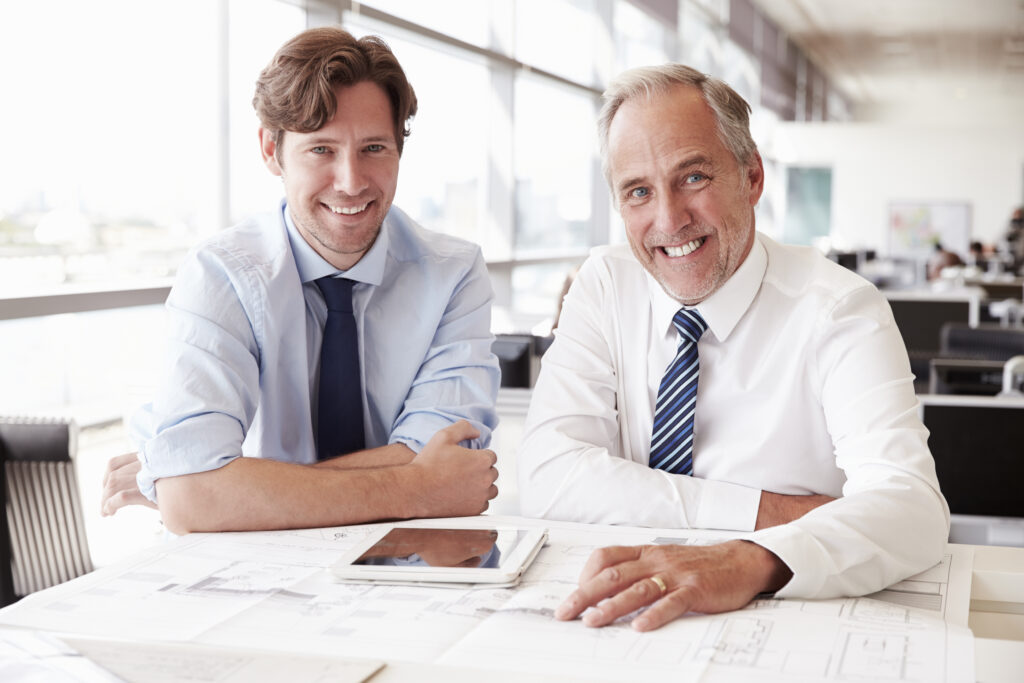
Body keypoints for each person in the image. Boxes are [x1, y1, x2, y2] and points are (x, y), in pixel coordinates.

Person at [517, 64, 949, 631]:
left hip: (784, 617)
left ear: (751, 177)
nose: (669, 220)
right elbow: (549, 476)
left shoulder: (840, 309)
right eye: (639, 192)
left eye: (693, 177)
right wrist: (766, 512)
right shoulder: (605, 283)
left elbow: (913, 509)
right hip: (625, 608)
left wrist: (751, 557)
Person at [101, 26, 500, 535]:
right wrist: (416, 487)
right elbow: (433, 479)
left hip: (406, 558)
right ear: (272, 150)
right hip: (248, 574)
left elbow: (442, 457)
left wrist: (221, 489)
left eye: (374, 147)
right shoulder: (221, 273)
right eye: (321, 150)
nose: (352, 181)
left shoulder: (453, 274)